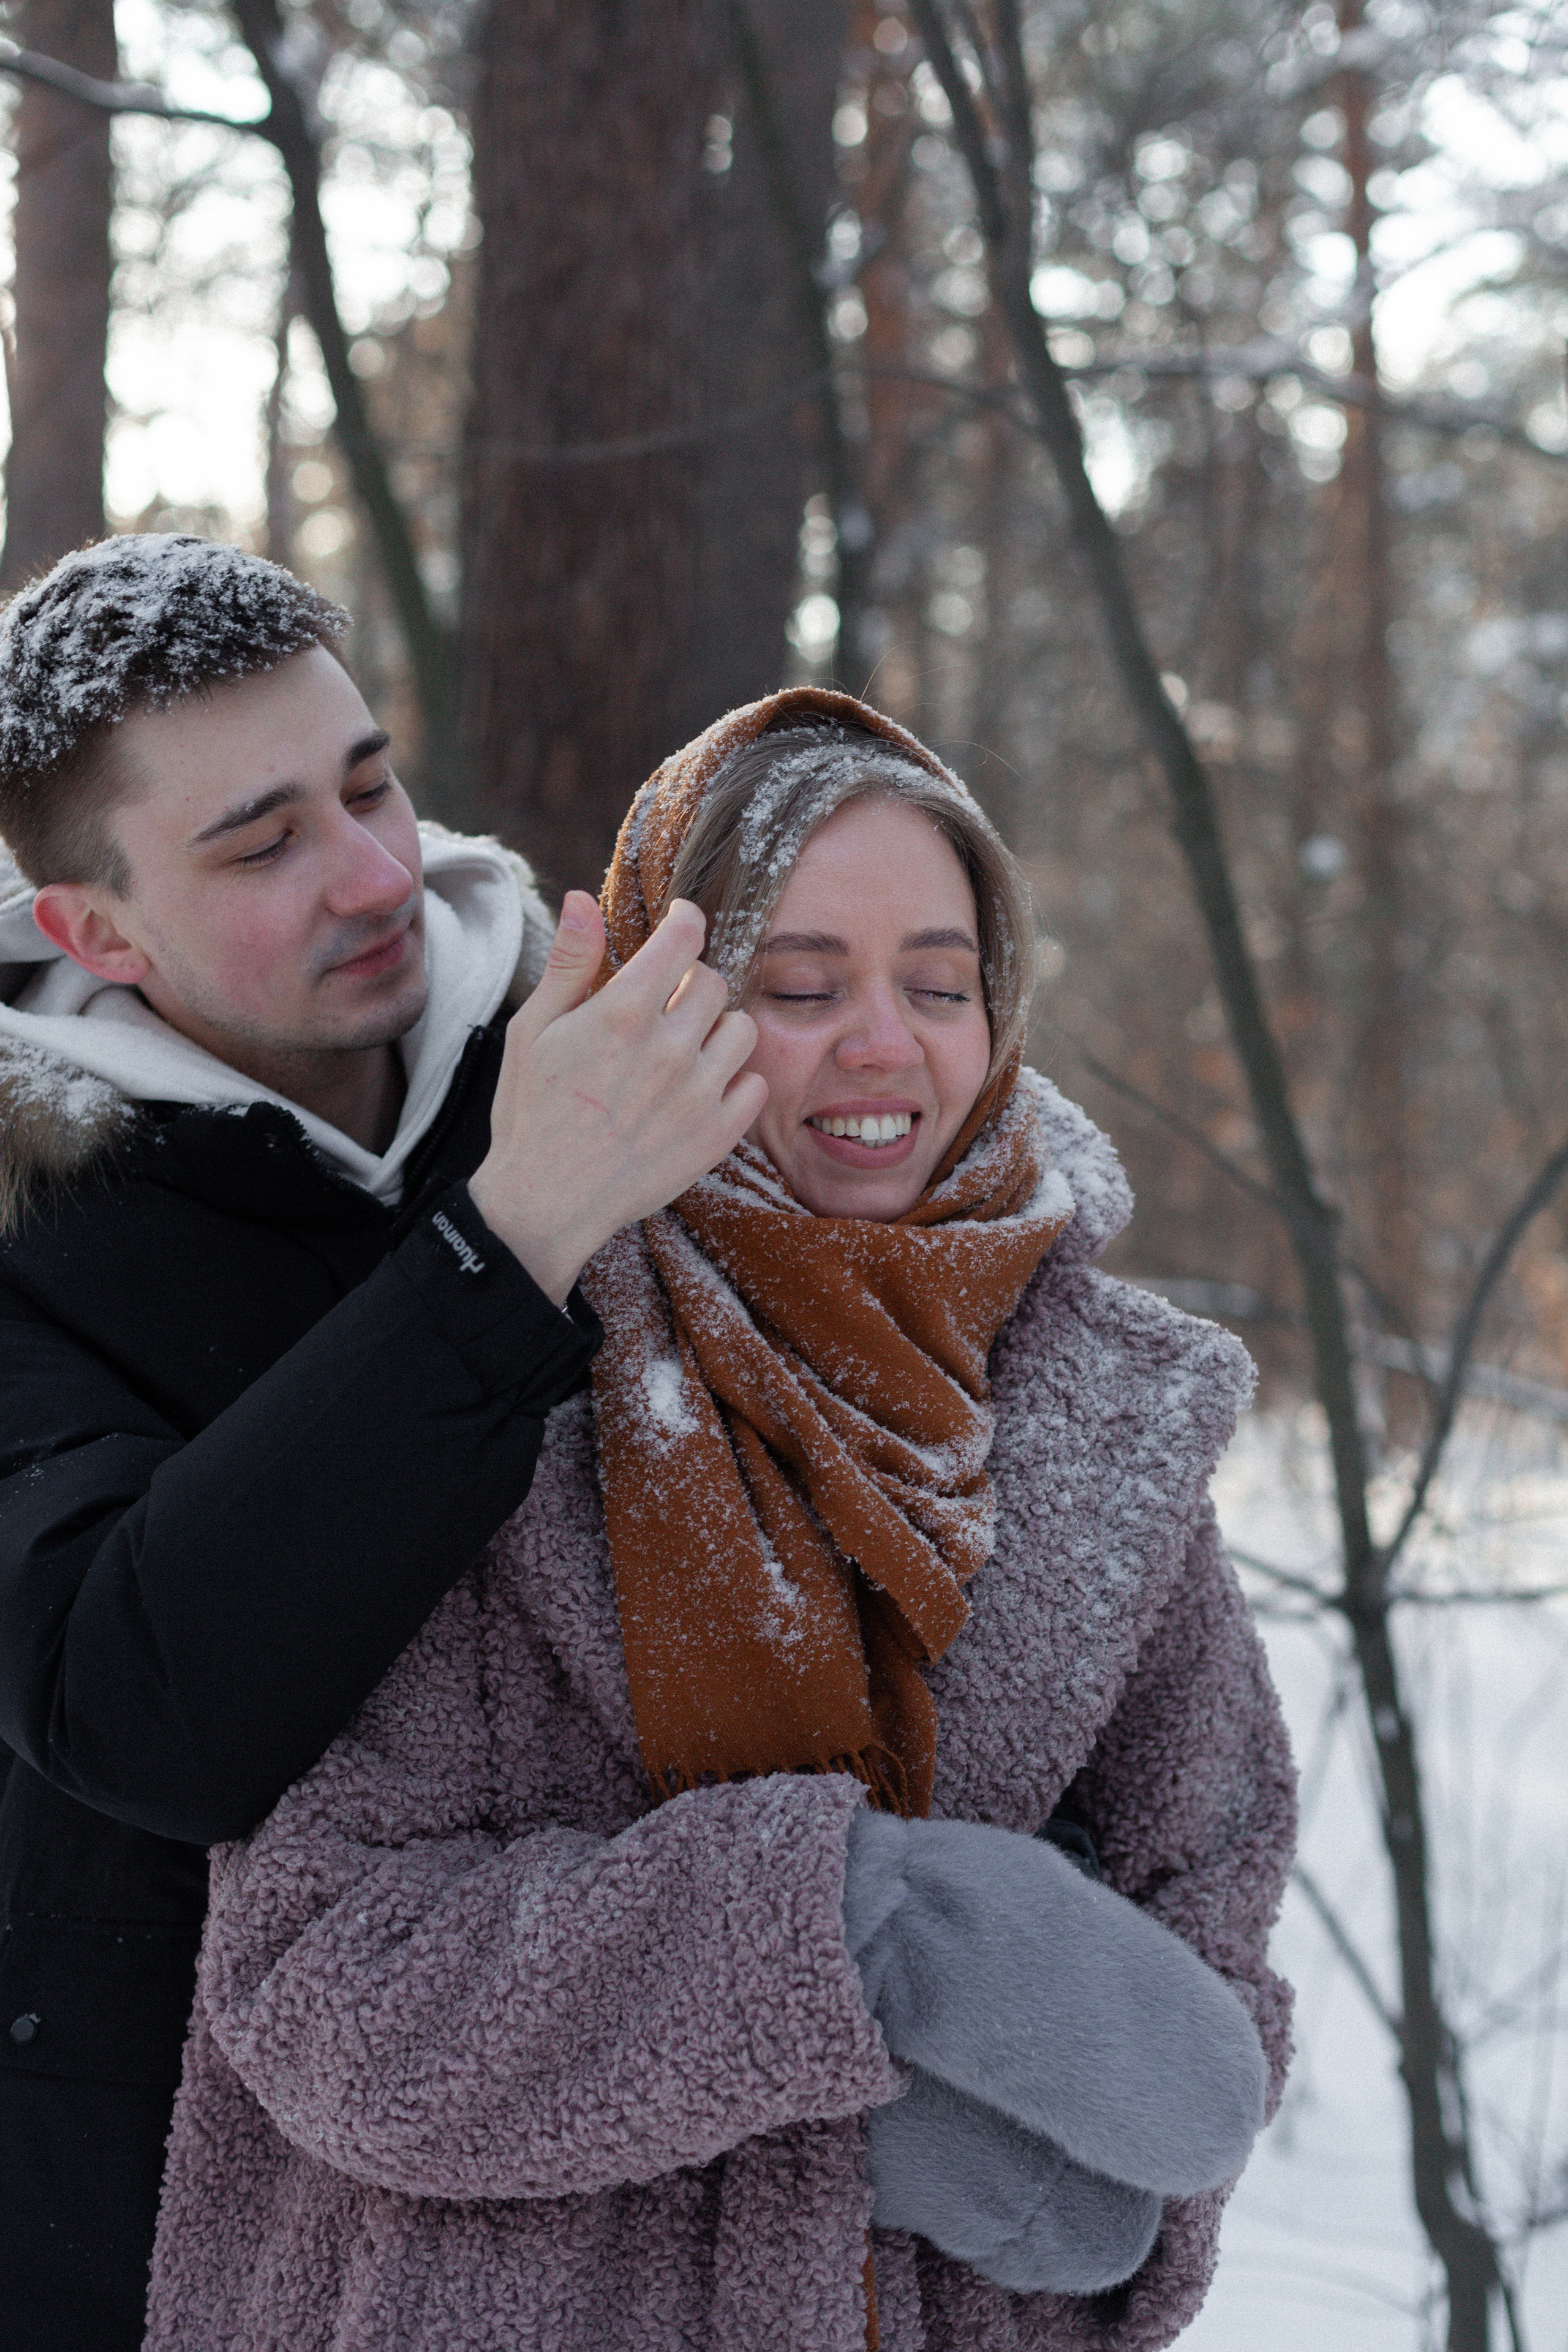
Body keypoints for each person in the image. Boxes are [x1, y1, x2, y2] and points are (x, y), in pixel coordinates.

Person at [145, 688, 1296, 2352]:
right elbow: (327, 1987)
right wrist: (863, 1931)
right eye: (799, 986)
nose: (886, 1046)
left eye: (941, 984)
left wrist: (1075, 2203)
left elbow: (1210, 1959)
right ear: (662, 1005)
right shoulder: (488, 1364)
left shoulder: (1111, 1422)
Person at [0, 533, 763, 2350]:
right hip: (141, 2228)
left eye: (370, 784)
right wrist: (505, 1250)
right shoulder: (23, 1230)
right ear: (93, 931)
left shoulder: (599, 1047)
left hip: (613, 2174)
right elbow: (133, 1700)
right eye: (261, 843)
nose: (373, 875)